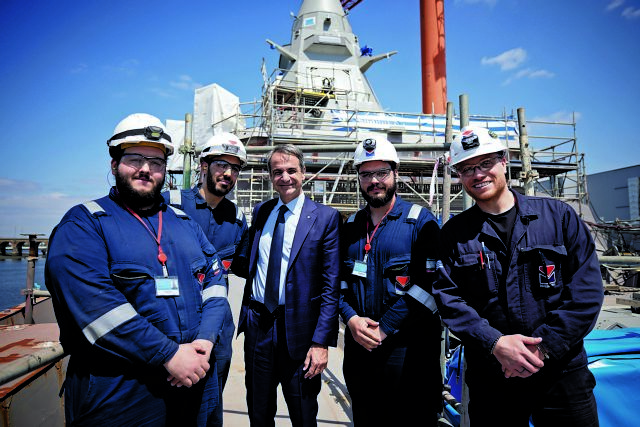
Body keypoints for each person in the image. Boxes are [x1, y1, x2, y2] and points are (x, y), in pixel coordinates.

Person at [46, 113, 229, 426]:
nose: (146, 168)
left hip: (195, 379)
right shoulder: (84, 224)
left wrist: (206, 340)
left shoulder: (184, 223)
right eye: (135, 159)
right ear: (114, 164)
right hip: (120, 393)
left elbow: (215, 280)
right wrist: (169, 355)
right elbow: (95, 309)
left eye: (156, 162)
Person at [432, 126, 603, 426]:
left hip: (561, 373)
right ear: (459, 176)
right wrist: (496, 343)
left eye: (485, 163)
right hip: (493, 376)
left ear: (503, 161)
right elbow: (449, 300)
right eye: (467, 169)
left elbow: (586, 292)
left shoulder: (558, 217)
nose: (478, 174)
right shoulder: (454, 235)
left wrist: (543, 346)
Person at [340, 136, 443, 426]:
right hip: (360, 350)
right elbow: (338, 284)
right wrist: (351, 319)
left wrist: (384, 327)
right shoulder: (351, 227)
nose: (374, 181)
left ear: (395, 173)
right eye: (366, 174)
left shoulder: (420, 222)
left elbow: (430, 288)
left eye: (381, 172)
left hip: (409, 352)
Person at [236, 144, 341, 427]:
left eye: (291, 170)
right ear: (270, 176)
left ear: (303, 172)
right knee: (258, 412)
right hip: (259, 326)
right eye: (277, 172)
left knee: (303, 415)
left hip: (300, 334)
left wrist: (320, 342)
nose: (285, 177)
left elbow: (331, 285)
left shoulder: (325, 217)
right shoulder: (262, 211)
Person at [165, 131, 249, 427]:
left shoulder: (237, 218)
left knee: (210, 406)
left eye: (235, 168)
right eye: (221, 164)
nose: (228, 173)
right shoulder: (171, 204)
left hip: (219, 330)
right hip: (173, 324)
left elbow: (246, 266)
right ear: (203, 165)